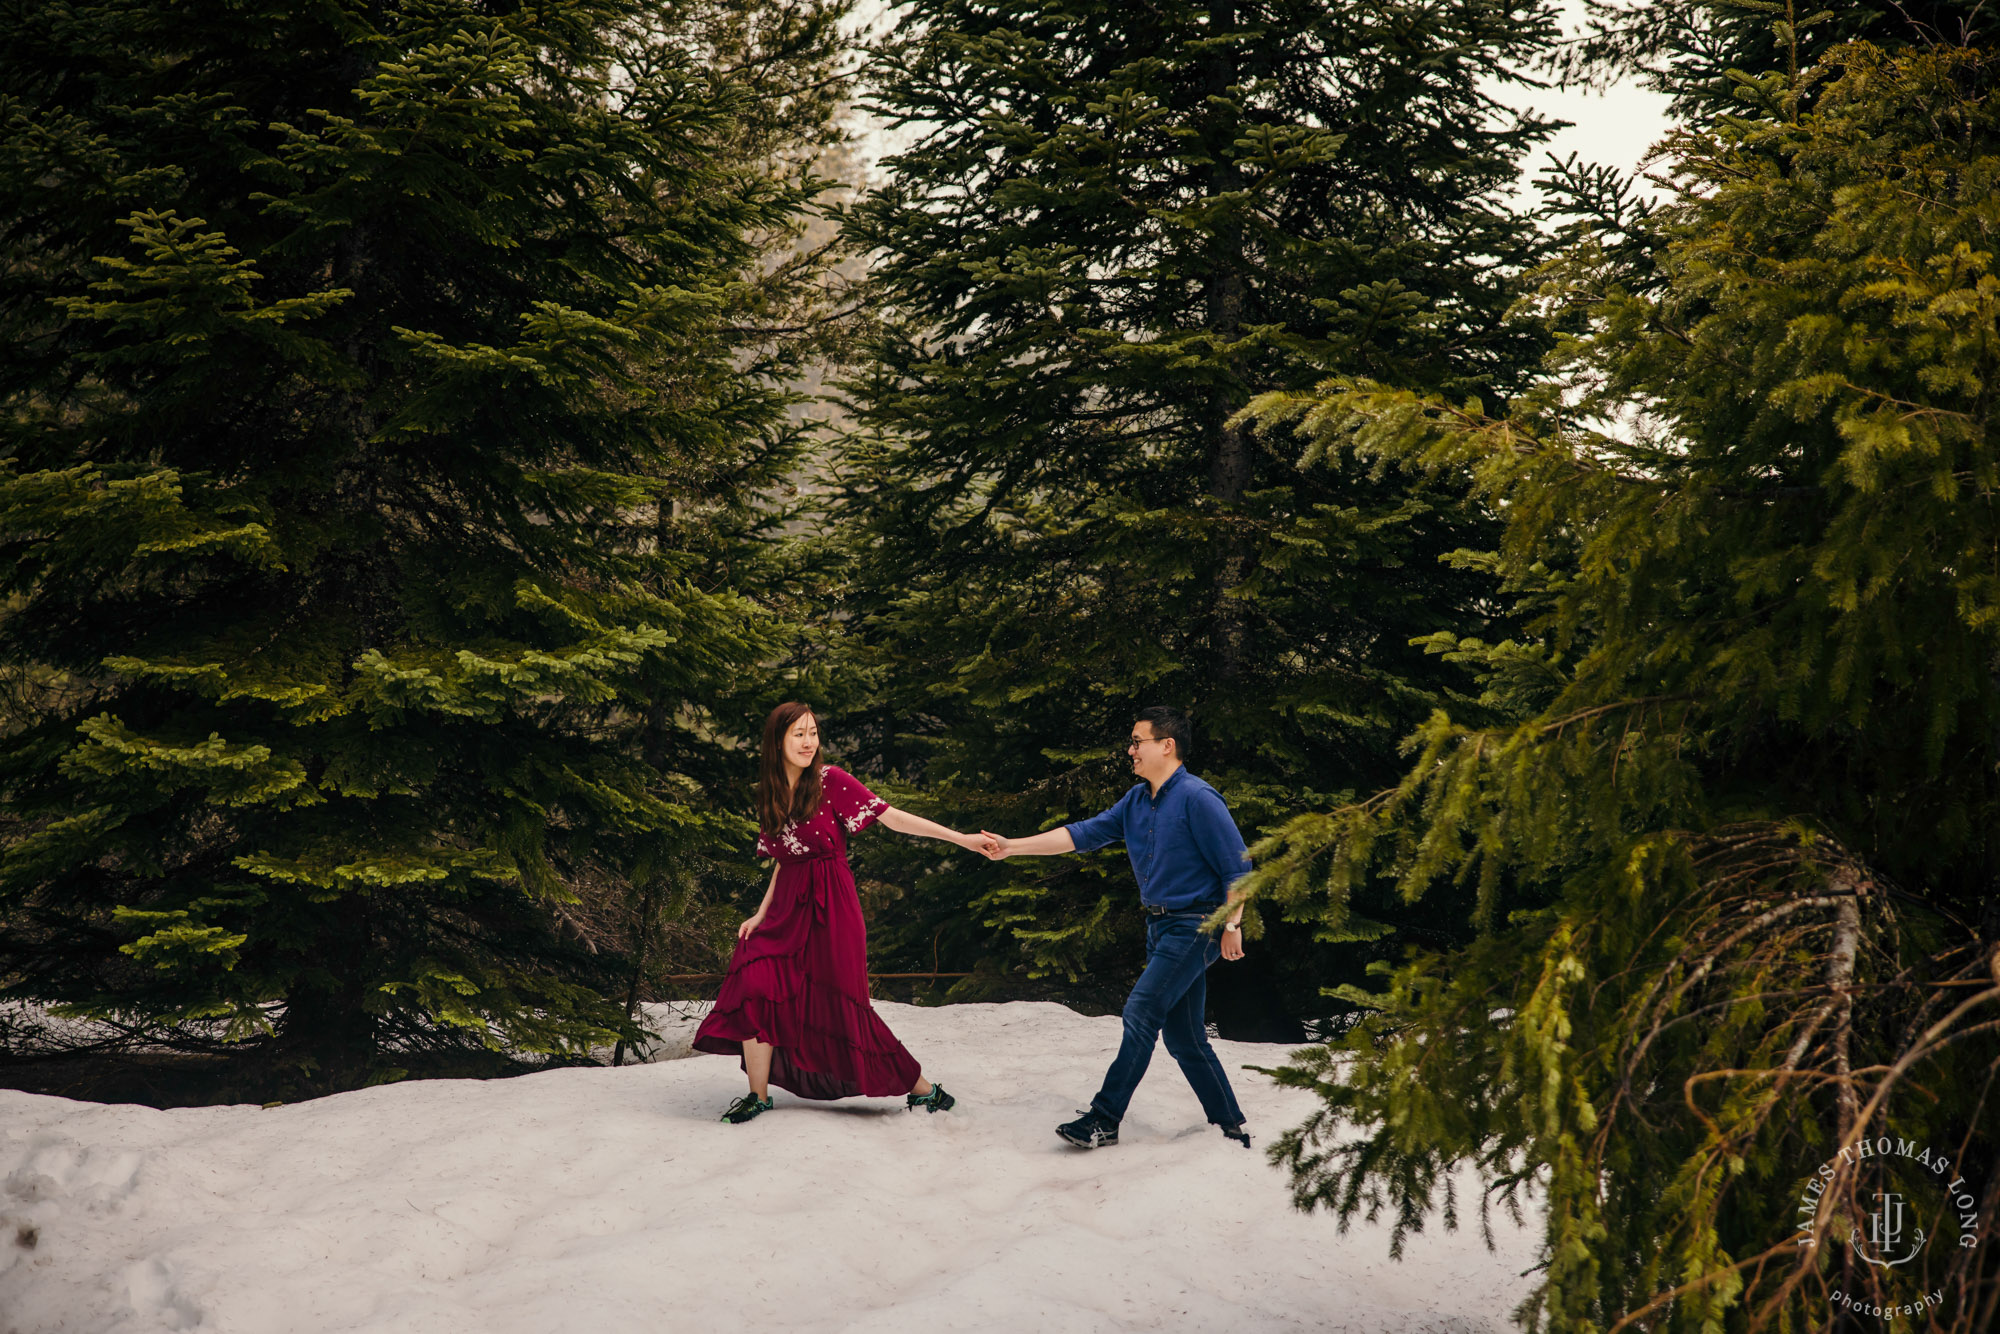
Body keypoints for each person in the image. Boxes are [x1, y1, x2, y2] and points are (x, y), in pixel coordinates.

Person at [693, 701, 984, 1123]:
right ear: (777, 742)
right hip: (786, 908)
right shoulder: (771, 794)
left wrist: (961, 839)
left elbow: (893, 818)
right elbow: (786, 859)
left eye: (813, 733)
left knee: (844, 1005)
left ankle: (924, 1089)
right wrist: (760, 913)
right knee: (754, 981)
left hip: (832, 906)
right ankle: (758, 1095)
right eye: (799, 734)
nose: (809, 742)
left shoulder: (831, 781)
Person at [982, 705, 1252, 1150]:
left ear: (1167, 745)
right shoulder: (1137, 800)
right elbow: (1082, 834)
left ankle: (1104, 1119)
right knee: (1184, 1038)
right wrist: (1014, 848)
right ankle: (1230, 1127)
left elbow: (1239, 870)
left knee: (1142, 1012)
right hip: (1162, 929)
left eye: (1137, 741)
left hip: (1196, 926)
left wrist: (1232, 924)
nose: (1130, 750)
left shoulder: (1199, 798)